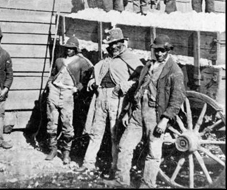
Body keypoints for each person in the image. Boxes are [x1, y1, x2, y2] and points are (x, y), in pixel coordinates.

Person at [104, 34, 186, 189]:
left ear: (168, 51)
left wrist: (165, 120)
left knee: (153, 152)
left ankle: (147, 184)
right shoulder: (148, 66)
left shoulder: (174, 71)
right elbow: (138, 88)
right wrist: (129, 111)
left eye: (163, 51)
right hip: (137, 112)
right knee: (124, 146)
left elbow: (177, 100)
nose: (160, 53)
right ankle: (122, 181)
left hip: (155, 115)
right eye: (157, 50)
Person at [76, 28, 143, 174]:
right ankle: (88, 163)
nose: (114, 46)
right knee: (96, 131)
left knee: (115, 133)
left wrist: (125, 85)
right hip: (100, 97)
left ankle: (115, 167)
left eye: (117, 43)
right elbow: (100, 71)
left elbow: (141, 79)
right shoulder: (107, 59)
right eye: (112, 43)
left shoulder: (130, 58)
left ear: (122, 43)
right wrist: (94, 80)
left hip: (116, 98)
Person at [45, 36, 93, 164]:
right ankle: (53, 149)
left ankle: (66, 153)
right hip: (54, 91)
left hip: (67, 93)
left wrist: (77, 89)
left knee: (67, 123)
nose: (69, 51)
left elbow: (87, 78)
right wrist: (50, 84)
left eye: (72, 48)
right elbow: (53, 74)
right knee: (51, 122)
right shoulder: (59, 60)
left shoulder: (82, 62)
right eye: (67, 48)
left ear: (76, 49)